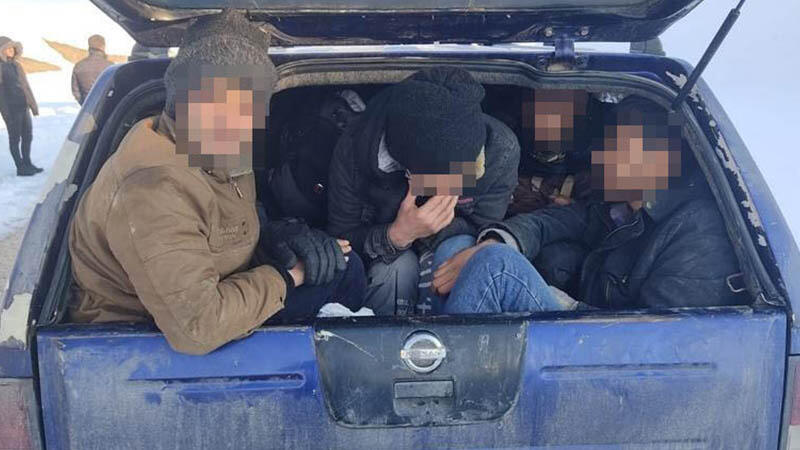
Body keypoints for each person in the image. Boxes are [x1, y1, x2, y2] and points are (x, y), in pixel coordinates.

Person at [69, 11, 366, 355]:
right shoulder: (152, 188)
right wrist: (289, 276)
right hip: (146, 339)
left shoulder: (215, 148)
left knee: (344, 266)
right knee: (336, 282)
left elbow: (225, 231)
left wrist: (280, 239)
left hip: (219, 296)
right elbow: (198, 327)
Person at [434, 96, 746, 313]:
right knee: (459, 248)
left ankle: (452, 376)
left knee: (495, 266)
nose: (600, 157)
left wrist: (564, 304)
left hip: (605, 347)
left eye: (616, 148)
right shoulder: (617, 206)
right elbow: (549, 222)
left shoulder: (698, 235)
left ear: (657, 160)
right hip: (582, 315)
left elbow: (655, 341)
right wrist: (495, 240)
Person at [326, 66, 519, 316]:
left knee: (459, 252)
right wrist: (396, 236)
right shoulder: (355, 150)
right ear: (408, 170)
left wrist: (430, 233)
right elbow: (341, 238)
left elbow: (485, 225)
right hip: (384, 255)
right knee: (395, 269)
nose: (454, 183)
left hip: (452, 242)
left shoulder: (499, 150)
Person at [0, 36, 41, 176]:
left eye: (12, 47)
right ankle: (20, 167)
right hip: (11, 109)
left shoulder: (17, 65)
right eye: (8, 48)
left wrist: (33, 105)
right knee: (15, 138)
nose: (11, 50)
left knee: (28, 136)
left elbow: (25, 87)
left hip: (24, 106)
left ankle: (27, 163)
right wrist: (6, 113)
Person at [71, 34, 114, 105]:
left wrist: (86, 105)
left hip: (88, 108)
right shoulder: (110, 66)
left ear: (89, 47)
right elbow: (114, 90)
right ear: (103, 47)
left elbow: (76, 92)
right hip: (106, 107)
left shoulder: (79, 66)